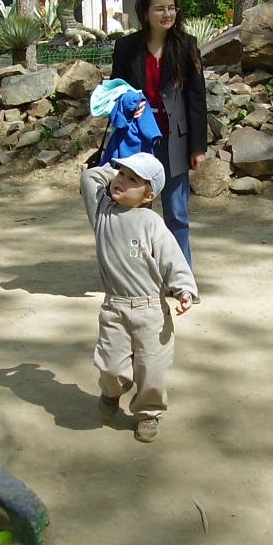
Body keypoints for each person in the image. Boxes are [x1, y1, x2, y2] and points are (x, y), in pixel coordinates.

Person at [80, 152, 198, 443]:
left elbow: (172, 258)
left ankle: (148, 412)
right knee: (110, 365)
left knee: (151, 367)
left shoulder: (150, 222)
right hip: (114, 306)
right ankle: (111, 391)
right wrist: (116, 173)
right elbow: (89, 177)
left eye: (132, 180)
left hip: (150, 309)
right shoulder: (102, 211)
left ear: (148, 195)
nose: (121, 180)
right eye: (121, 173)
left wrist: (184, 289)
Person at [110, 0, 208, 267]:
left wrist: (198, 147)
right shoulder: (127, 47)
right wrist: (129, 103)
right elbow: (115, 90)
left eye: (171, 8)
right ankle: (138, 272)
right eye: (160, 9)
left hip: (175, 140)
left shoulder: (187, 46)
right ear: (145, 12)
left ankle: (181, 275)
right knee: (135, 212)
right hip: (137, 140)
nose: (167, 14)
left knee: (177, 213)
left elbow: (196, 98)